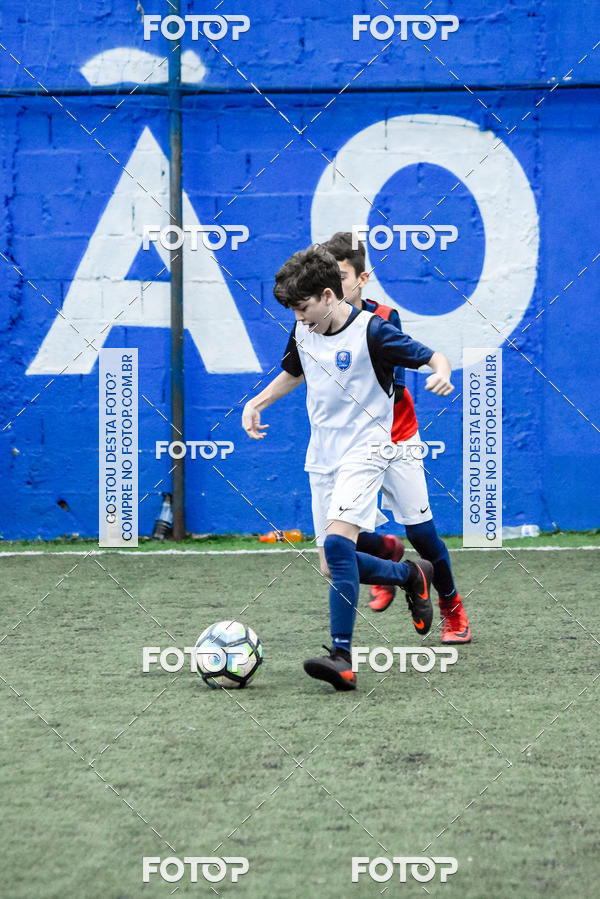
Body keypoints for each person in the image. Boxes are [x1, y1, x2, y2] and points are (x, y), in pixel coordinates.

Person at [242, 245, 454, 691]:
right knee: (331, 563)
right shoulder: (304, 330)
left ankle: (342, 657)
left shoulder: (373, 332)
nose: (299, 318)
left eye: (303, 308)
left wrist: (442, 372)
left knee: (339, 547)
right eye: (294, 312)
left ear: (326, 295)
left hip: (368, 449)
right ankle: (410, 574)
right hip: (323, 455)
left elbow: (432, 356)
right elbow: (295, 371)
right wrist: (257, 402)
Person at [322, 232, 470, 645]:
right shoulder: (313, 324)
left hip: (395, 440)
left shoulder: (382, 319)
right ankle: (388, 556)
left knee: (421, 535)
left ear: (362, 278)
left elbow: (394, 386)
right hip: (349, 447)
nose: (334, 288)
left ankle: (452, 608)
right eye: (327, 279)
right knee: (336, 537)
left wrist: (439, 371)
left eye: (343, 277)